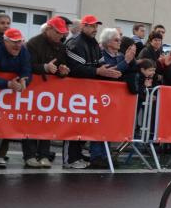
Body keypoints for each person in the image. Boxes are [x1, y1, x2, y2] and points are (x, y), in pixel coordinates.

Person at [65, 14, 121, 169]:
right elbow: (75, 69)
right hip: (74, 92)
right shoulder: (75, 43)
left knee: (84, 126)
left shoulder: (94, 44)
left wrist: (112, 72)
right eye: (91, 26)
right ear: (83, 26)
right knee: (73, 126)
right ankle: (70, 159)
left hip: (88, 93)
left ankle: (77, 155)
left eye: (96, 26)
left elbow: (101, 65)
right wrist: (98, 71)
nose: (95, 29)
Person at [0, 28, 32, 168]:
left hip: (9, 92)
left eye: (20, 41)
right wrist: (7, 83)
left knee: (7, 121)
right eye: (14, 42)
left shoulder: (23, 50)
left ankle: (0, 155)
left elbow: (27, 69)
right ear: (5, 41)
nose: (17, 45)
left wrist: (24, 80)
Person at [24, 16, 70, 168]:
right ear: (48, 29)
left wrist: (63, 71)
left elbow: (61, 67)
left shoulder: (61, 47)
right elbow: (27, 65)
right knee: (30, 122)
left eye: (62, 33)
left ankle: (44, 155)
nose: (60, 36)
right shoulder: (33, 43)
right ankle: (29, 155)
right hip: (32, 89)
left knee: (46, 122)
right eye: (57, 32)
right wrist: (45, 67)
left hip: (49, 91)